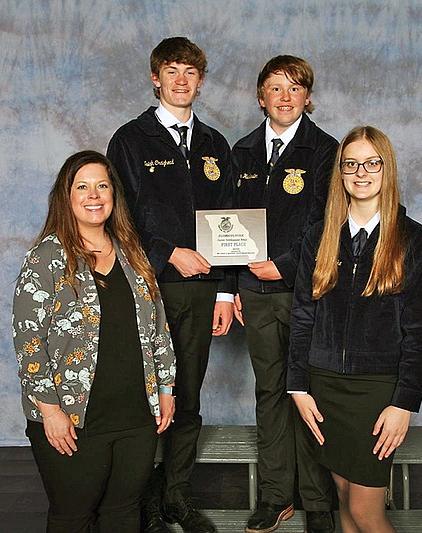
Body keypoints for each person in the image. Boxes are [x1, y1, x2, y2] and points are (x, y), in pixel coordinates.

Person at [107, 37, 234, 533]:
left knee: (188, 394)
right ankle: (139, 498)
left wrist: (225, 290)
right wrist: (167, 254)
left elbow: (228, 224)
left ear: (200, 82)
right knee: (145, 393)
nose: (181, 80)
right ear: (155, 78)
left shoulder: (214, 144)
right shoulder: (130, 140)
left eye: (190, 72)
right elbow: (117, 215)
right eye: (171, 71)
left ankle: (176, 494)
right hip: (146, 286)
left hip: (202, 292)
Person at [13, 150, 176, 533]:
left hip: (136, 416)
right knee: (73, 515)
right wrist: (50, 410)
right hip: (73, 417)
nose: (94, 195)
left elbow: (158, 328)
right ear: (66, 197)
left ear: (113, 195)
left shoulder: (132, 252)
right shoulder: (46, 257)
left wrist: (166, 387)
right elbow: (28, 341)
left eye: (102, 186)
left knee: (123, 512)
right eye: (82, 186)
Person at [288, 126, 422, 533]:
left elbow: (419, 330)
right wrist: (298, 387)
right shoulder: (319, 235)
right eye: (351, 163)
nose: (361, 172)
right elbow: (302, 315)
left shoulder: (411, 238)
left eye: (372, 163)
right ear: (340, 173)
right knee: (345, 505)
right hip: (324, 389)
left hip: (377, 392)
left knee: (368, 512)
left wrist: (403, 402)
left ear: (387, 169)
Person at [231, 55, 337, 533]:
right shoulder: (243, 151)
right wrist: (232, 287)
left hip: (305, 290)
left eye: (295, 88)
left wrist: (286, 265)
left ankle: (318, 501)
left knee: (306, 392)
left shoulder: (327, 151)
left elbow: (325, 225)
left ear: (308, 98)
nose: (286, 97)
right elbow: (228, 225)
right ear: (261, 97)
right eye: (276, 88)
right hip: (254, 293)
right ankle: (276, 496)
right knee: (269, 392)